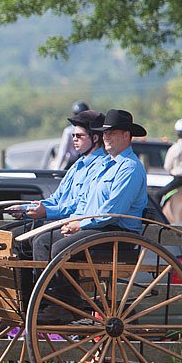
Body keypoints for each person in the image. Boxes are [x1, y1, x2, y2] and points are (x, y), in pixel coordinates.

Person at [32, 109, 149, 320]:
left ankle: (64, 304)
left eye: (112, 133)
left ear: (126, 136)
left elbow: (113, 211)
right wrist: (74, 220)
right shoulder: (106, 165)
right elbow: (86, 203)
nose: (106, 137)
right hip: (97, 227)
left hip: (116, 233)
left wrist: (80, 225)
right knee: (42, 240)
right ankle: (44, 300)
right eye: (104, 133)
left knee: (57, 246)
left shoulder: (130, 168)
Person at [158, 118, 182, 204]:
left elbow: (167, 167)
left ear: (177, 133)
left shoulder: (174, 148)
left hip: (178, 181)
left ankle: (157, 216)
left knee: (158, 195)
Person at [51, 101, 90, 170]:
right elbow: (62, 152)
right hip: (73, 163)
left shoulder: (91, 129)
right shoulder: (69, 131)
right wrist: (57, 170)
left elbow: (63, 152)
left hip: (87, 161)